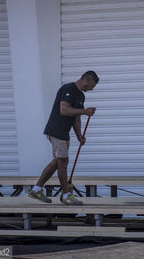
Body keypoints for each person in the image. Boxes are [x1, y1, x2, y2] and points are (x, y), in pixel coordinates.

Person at [28, 71, 99, 205]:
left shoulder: (81, 96)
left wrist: (79, 135)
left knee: (59, 161)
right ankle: (66, 195)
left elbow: (76, 117)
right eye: (91, 86)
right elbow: (64, 110)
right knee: (63, 162)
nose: (91, 89)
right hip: (56, 130)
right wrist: (85, 111)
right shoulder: (68, 89)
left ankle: (36, 190)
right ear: (86, 80)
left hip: (64, 132)